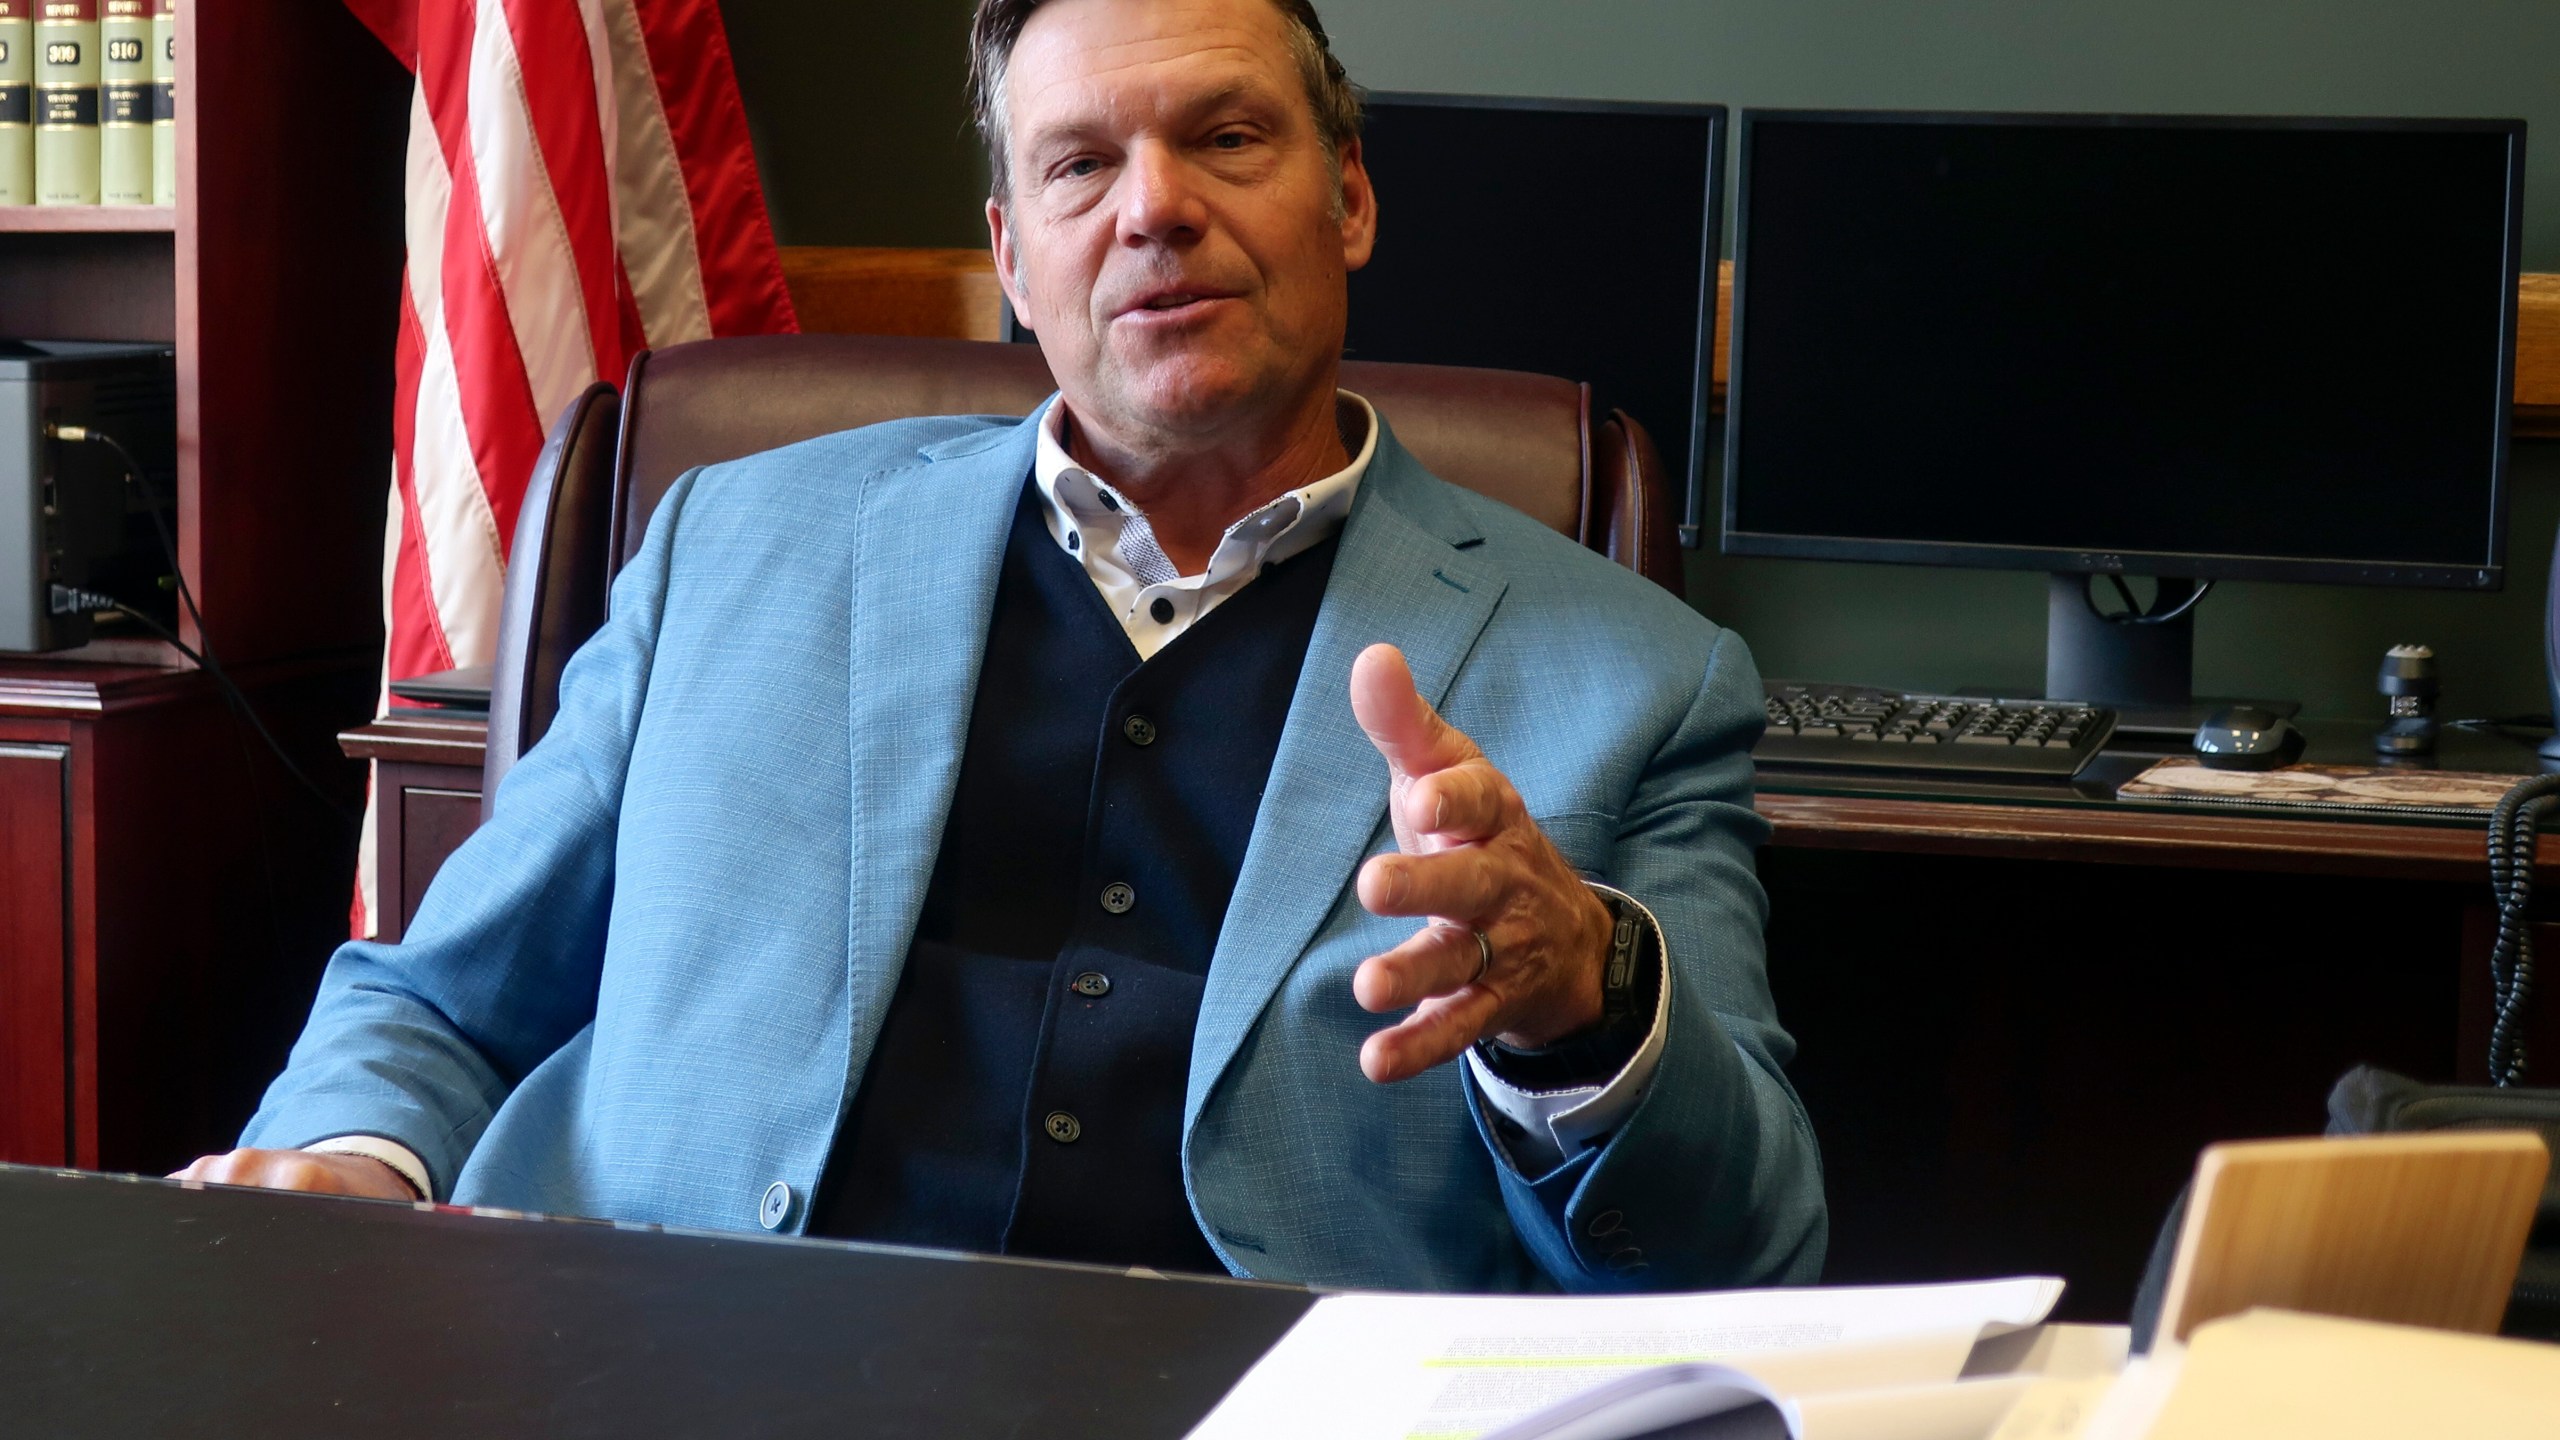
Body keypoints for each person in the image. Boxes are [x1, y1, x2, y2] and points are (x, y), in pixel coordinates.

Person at [179, 0, 1824, 1293]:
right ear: (1013, 258)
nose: (1154, 209)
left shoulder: (1639, 677)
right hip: (688, 1367)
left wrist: (1585, 1004)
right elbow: (444, 1004)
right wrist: (345, 1164)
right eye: (1079, 164)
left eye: (1227, 138)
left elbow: (1741, 1248)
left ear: (1354, 199)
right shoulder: (726, 546)